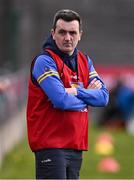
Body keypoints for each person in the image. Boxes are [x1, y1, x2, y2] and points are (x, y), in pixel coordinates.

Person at [27, 9, 109, 179]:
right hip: (50, 145)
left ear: (80, 35)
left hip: (75, 145)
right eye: (62, 32)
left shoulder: (85, 61)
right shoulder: (44, 61)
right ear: (53, 33)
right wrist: (88, 96)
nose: (67, 38)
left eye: (72, 32)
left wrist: (76, 91)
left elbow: (104, 97)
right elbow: (61, 101)